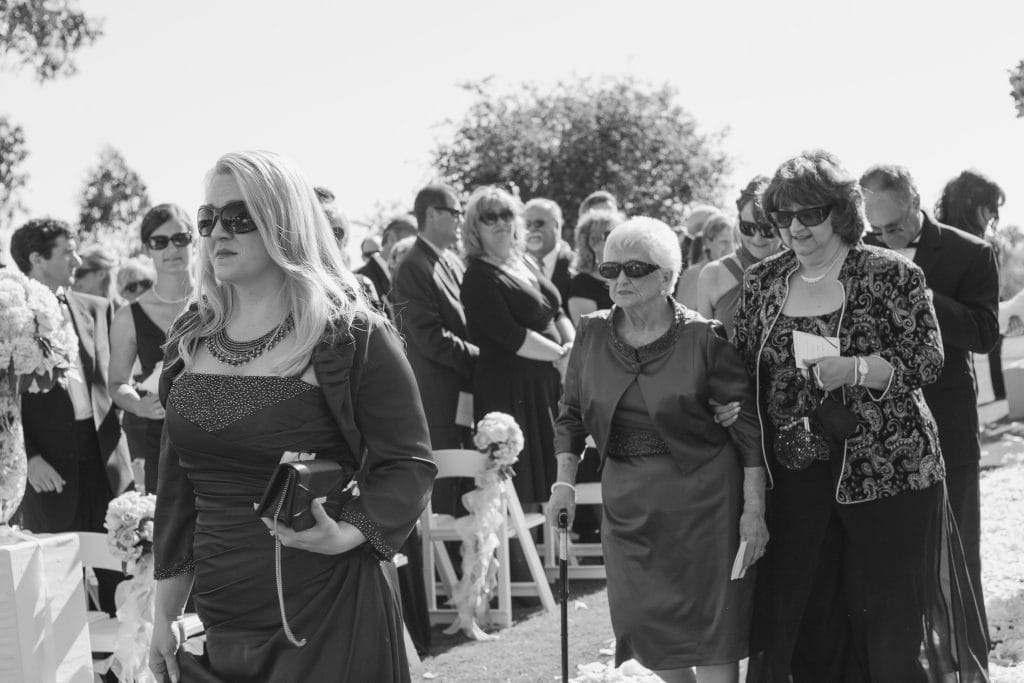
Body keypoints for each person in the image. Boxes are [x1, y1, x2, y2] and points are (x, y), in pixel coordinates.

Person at [148, 150, 436, 683]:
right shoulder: (190, 338)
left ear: (285, 222)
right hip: (216, 619)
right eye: (207, 219)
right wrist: (164, 615)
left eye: (239, 217)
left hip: (324, 611)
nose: (216, 233)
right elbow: (176, 495)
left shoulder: (348, 335)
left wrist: (349, 532)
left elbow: (409, 463)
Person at [730, 150, 988, 681]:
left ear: (841, 212)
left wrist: (858, 369)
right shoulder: (762, 282)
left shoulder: (892, 273)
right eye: (783, 216)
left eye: (809, 214)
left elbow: (927, 358)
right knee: (812, 620)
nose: (794, 227)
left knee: (890, 623)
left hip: (891, 472)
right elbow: (740, 365)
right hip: (797, 477)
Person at [548, 216, 767, 683]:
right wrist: (563, 483)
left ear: (668, 277)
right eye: (611, 270)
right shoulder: (589, 333)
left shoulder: (702, 337)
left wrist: (754, 509)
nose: (621, 280)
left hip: (706, 501)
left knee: (712, 626)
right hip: (627, 503)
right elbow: (571, 415)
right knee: (642, 627)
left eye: (635, 269)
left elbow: (746, 428)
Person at [861, 164, 999, 647]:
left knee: (958, 555)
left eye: (893, 228)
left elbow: (984, 335)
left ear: (915, 201)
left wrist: (919, 289)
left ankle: (969, 662)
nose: (883, 237)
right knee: (893, 559)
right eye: (875, 229)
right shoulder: (861, 250)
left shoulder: (972, 252)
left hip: (948, 422)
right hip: (879, 426)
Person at [10, 218, 133, 613]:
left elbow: (117, 380)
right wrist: (28, 459)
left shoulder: (99, 308)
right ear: (36, 258)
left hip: (106, 459)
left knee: (125, 574)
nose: (77, 259)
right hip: (48, 467)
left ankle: (121, 672)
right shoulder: (8, 315)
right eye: (67, 251)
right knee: (61, 585)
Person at [461, 186, 575, 506]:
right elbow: (512, 336)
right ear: (475, 228)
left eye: (506, 214)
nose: (500, 223)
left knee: (549, 481)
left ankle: (549, 555)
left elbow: (558, 310)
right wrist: (563, 357)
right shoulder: (477, 277)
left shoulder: (524, 260)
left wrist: (572, 348)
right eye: (489, 217)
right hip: (510, 390)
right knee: (520, 488)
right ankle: (522, 557)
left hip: (545, 383)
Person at [391, 183, 479, 512]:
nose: (460, 220)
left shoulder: (450, 261)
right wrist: (479, 358)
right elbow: (429, 337)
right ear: (431, 214)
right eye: (455, 212)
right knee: (446, 489)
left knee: (467, 484)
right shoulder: (413, 265)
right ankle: (443, 564)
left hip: (461, 390)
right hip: (438, 396)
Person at [108, 204, 194, 494]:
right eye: (160, 242)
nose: (172, 249)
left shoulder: (222, 300)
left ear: (193, 240)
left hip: (219, 436)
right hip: (160, 439)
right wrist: (138, 405)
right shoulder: (128, 316)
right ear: (148, 249)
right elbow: (117, 383)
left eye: (180, 238)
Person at [935, 170, 1008, 401]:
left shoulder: (984, 249)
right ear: (969, 203)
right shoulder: (935, 245)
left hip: (963, 372)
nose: (993, 216)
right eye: (989, 207)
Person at [696, 176, 782, 335]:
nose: (757, 238)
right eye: (748, 227)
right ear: (738, 222)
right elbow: (702, 347)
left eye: (767, 229)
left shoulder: (801, 269)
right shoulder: (712, 274)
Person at [567, 209, 624, 326]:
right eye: (611, 234)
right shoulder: (582, 284)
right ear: (592, 242)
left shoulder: (632, 275)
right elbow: (590, 335)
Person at [524, 197, 574, 312]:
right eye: (527, 224)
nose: (531, 229)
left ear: (556, 226)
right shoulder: (516, 267)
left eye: (538, 223)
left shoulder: (576, 265)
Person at [675, 211, 732, 308]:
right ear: (707, 242)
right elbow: (683, 318)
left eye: (733, 242)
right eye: (724, 242)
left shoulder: (736, 272)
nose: (730, 249)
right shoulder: (693, 274)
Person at [358, 215, 417, 303]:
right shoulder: (360, 279)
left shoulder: (409, 281)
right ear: (391, 238)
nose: (415, 252)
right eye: (411, 243)